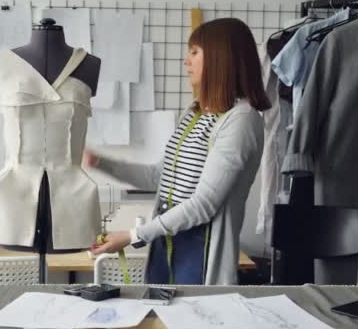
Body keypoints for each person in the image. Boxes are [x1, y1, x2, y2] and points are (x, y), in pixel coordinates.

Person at [84, 18, 271, 285]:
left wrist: (133, 235)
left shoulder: (241, 120)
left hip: (200, 254)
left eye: (194, 52)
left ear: (221, 58)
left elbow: (204, 205)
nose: (186, 61)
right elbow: (157, 177)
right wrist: (100, 162)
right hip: (166, 245)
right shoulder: (194, 112)